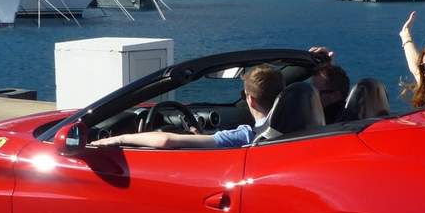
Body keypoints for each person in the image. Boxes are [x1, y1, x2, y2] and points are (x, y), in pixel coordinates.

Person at [89, 64, 284, 149]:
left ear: (250, 100)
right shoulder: (303, 124)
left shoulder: (247, 135)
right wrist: (198, 136)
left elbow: (166, 141)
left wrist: (120, 138)